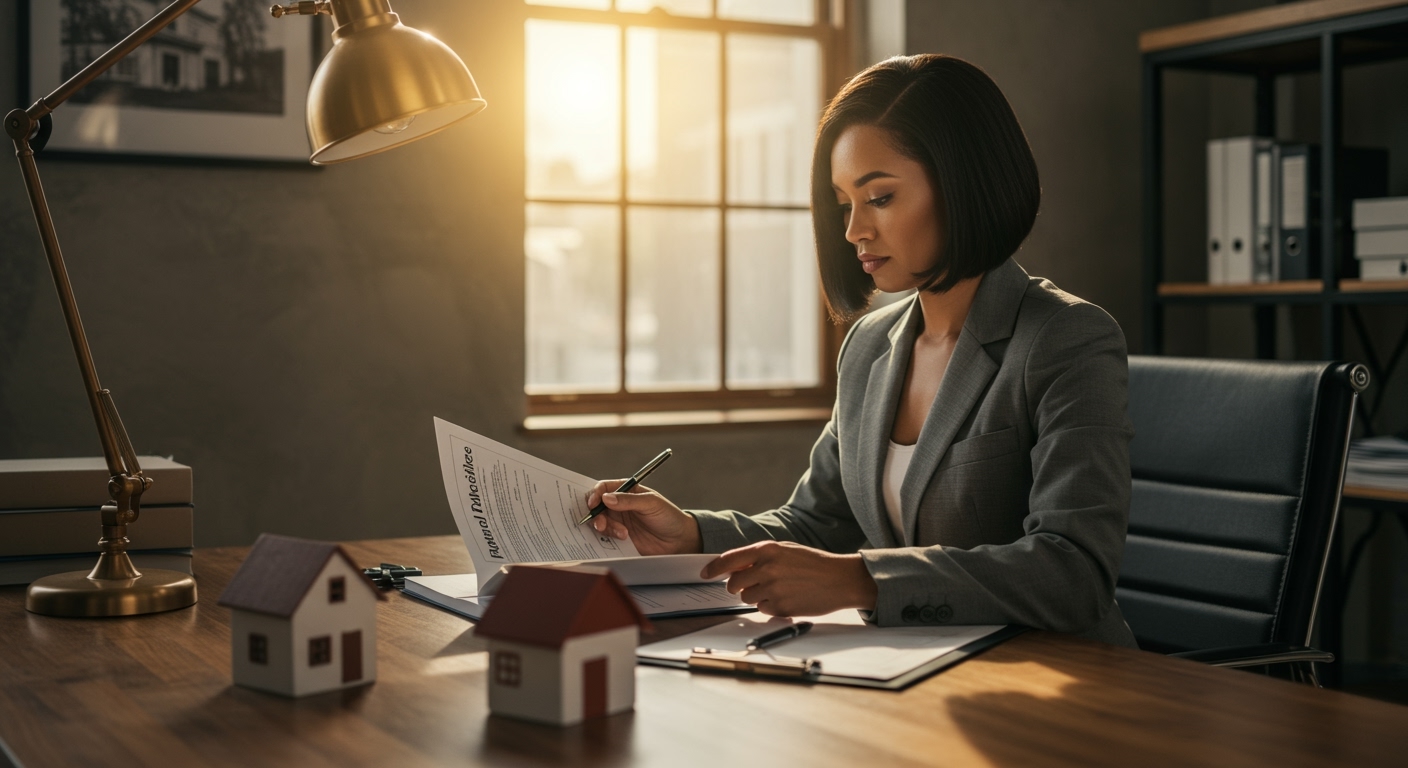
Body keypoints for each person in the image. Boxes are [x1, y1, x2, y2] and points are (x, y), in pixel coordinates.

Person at [587, 54, 1137, 647]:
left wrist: (863, 581)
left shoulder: (1067, 340)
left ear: (964, 184)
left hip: (1063, 684)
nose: (853, 230)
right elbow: (818, 523)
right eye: (844, 203)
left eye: (879, 198)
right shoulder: (871, 344)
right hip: (921, 670)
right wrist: (692, 533)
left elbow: (1073, 571)